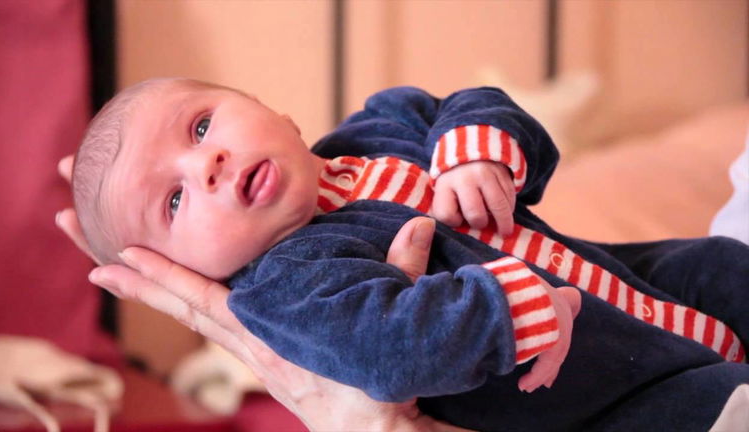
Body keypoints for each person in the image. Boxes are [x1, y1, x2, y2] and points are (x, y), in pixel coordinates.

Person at [68, 78, 748, 431]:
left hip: (630, 280)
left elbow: (464, 104)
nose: (207, 164)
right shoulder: (287, 284)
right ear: (188, 274)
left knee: (721, 265)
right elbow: (386, 349)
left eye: (200, 126)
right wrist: (507, 309)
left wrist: (475, 149)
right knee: (716, 405)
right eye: (174, 200)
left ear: (273, 110)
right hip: (599, 399)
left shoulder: (381, 125)